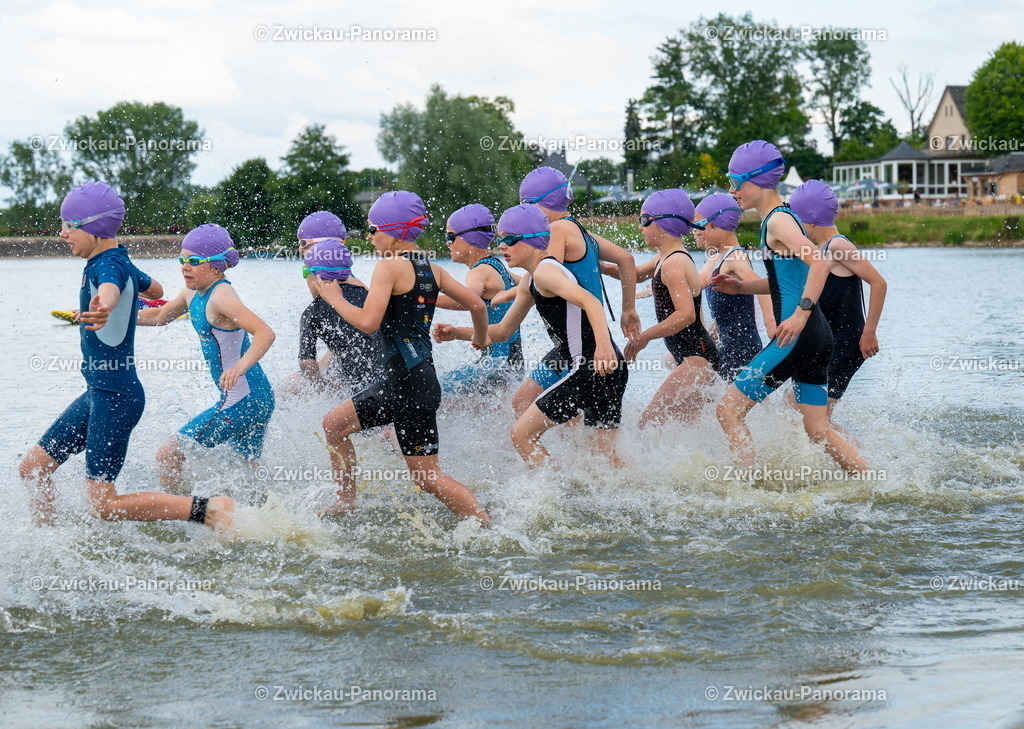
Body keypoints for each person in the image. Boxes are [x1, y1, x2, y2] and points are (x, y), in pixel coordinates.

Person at [18, 182, 234, 530]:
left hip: (116, 397)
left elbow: (109, 289)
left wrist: (105, 305)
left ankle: (209, 510)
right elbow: (157, 290)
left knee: (103, 503)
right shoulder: (119, 260)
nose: (62, 233)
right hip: (97, 394)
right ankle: (49, 537)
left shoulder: (108, 267)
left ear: (95, 226)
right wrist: (114, 302)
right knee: (33, 468)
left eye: (69, 225)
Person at [314, 191, 490, 523]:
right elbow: (478, 305)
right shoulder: (432, 268)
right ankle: (346, 500)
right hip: (404, 381)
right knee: (334, 425)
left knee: (426, 477)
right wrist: (480, 338)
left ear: (394, 231)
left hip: (410, 386)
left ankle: (487, 525)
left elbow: (368, 322)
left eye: (372, 229)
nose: (368, 238)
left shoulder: (389, 267)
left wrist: (334, 297)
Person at [712, 141, 868, 475]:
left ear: (757, 180)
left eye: (735, 181)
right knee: (817, 430)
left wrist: (800, 314)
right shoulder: (782, 217)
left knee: (728, 411)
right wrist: (741, 287)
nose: (732, 190)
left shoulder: (778, 222)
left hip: (796, 336)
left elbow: (821, 263)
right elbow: (787, 283)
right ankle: (873, 480)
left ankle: (745, 491)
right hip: (817, 337)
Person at [435, 204, 629, 467]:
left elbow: (591, 302)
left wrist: (603, 347)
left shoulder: (547, 272)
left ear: (534, 240)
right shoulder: (530, 280)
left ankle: (554, 495)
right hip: (609, 368)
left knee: (522, 434)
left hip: (591, 367)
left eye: (511, 240)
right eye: (501, 238)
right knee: (604, 459)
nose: (502, 246)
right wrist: (457, 333)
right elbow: (502, 331)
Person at [138, 224, 276, 495]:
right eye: (182, 260)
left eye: (194, 261)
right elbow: (158, 316)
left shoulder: (222, 296)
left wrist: (239, 367)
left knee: (168, 455)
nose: (185, 267)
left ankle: (182, 515)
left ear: (215, 265)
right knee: (246, 470)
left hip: (244, 399)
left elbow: (265, 333)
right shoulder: (191, 293)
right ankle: (271, 515)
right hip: (256, 398)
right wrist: (111, 318)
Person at [509, 166, 639, 417]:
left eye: (526, 207)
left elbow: (545, 270)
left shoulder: (556, 231)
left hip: (578, 344)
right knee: (591, 439)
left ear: (539, 204)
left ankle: (549, 455)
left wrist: (510, 292)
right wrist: (629, 309)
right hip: (589, 342)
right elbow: (626, 259)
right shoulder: (580, 230)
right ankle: (566, 455)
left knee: (523, 404)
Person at [614, 190, 719, 427]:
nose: (639, 227)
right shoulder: (665, 257)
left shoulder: (674, 263)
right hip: (692, 359)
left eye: (644, 220)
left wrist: (644, 337)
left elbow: (686, 315)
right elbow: (634, 274)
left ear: (663, 223)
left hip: (697, 359)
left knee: (648, 424)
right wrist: (593, 259)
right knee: (684, 431)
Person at [789, 180, 887, 418]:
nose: (795, 227)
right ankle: (854, 455)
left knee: (813, 415)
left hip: (848, 341)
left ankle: (861, 456)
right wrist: (742, 287)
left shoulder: (837, 245)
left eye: (796, 220)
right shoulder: (820, 250)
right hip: (830, 342)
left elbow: (879, 283)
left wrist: (869, 331)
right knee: (801, 408)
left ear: (810, 218)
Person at [284, 213, 384, 397]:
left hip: (368, 382)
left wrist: (324, 388)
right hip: (383, 370)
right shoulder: (354, 282)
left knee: (290, 387)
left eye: (302, 243)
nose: (299, 250)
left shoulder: (322, 282)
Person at [434, 203, 523, 395]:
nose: (447, 243)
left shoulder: (478, 273)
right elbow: (531, 283)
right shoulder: (498, 267)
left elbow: (468, 301)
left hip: (494, 365)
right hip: (514, 365)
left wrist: (425, 300)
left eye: (450, 236)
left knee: (434, 391)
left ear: (468, 239)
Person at [693, 192, 776, 380]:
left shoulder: (735, 257)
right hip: (727, 343)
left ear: (718, 224)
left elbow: (764, 289)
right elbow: (697, 283)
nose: (695, 231)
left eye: (699, 225)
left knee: (730, 406)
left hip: (742, 347)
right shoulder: (716, 255)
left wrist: (771, 324)